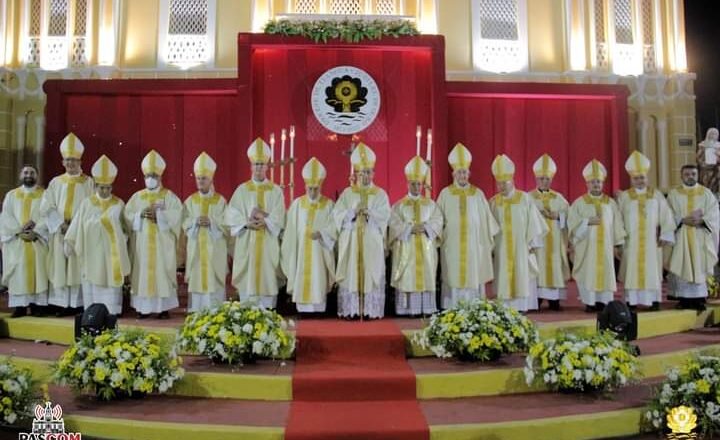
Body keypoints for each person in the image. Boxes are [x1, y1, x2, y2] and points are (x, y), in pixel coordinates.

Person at [64, 155, 130, 315]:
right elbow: (77, 226)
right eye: (102, 188)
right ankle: (93, 313)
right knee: (92, 285)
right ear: (96, 186)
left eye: (108, 188)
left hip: (111, 254)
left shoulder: (119, 204)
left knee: (110, 285)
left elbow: (125, 229)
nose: (105, 191)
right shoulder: (87, 203)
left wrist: (112, 227)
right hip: (91, 253)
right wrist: (70, 243)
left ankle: (111, 312)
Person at [437, 143, 499, 308]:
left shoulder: (477, 194)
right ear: (453, 174)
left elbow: (487, 220)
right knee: (453, 274)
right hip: (452, 244)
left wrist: (486, 240)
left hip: (473, 244)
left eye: (464, 172)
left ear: (469, 173)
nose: (462, 175)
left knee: (473, 273)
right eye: (459, 172)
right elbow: (438, 219)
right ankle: (453, 306)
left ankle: (474, 304)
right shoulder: (445, 193)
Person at [225, 138, 285, 308]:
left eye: (261, 164)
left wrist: (265, 219)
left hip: (267, 244)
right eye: (256, 164)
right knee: (248, 284)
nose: (259, 167)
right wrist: (246, 223)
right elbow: (232, 214)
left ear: (267, 166)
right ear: (251, 166)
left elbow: (280, 217)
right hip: (248, 242)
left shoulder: (276, 191)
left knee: (267, 278)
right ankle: (247, 312)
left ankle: (268, 310)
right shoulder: (242, 190)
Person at [333, 143, 391, 319]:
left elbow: (385, 216)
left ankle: (370, 311)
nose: (365, 176)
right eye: (362, 172)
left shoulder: (380, 194)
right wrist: (352, 212)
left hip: (371, 240)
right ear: (356, 173)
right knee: (352, 273)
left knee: (371, 271)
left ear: (373, 173)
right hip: (352, 242)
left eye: (368, 172)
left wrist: (369, 213)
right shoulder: (347, 193)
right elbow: (337, 215)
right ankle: (352, 310)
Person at [124, 150, 183, 318]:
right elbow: (127, 216)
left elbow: (177, 215)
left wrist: (160, 216)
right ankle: (143, 309)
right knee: (143, 275)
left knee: (162, 274)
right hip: (143, 246)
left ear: (160, 176)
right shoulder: (137, 197)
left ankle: (163, 309)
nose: (151, 178)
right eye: (148, 175)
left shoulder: (169, 197)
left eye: (154, 175)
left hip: (162, 245)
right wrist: (139, 215)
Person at [40, 133, 94, 315]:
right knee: (60, 266)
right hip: (60, 232)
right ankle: (61, 304)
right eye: (67, 160)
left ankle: (77, 304)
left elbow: (92, 207)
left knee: (76, 267)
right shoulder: (56, 182)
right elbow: (47, 206)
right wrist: (60, 224)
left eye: (73, 160)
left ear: (80, 161)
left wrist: (76, 225)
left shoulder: (89, 183)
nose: (70, 163)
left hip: (79, 234)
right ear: (63, 162)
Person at [489, 154, 547, 312]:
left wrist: (532, 244)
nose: (501, 186)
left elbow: (534, 223)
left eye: (504, 182)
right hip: (502, 248)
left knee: (522, 274)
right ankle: (504, 307)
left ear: (512, 180)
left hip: (521, 246)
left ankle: (521, 307)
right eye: (498, 183)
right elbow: (489, 227)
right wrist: (491, 248)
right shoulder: (494, 202)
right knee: (503, 276)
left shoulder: (524, 199)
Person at [617, 151, 675, 311]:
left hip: (651, 241)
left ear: (647, 177)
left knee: (652, 271)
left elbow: (666, 216)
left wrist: (665, 234)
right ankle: (632, 301)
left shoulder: (656, 195)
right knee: (632, 271)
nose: (640, 181)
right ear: (631, 179)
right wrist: (619, 241)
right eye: (636, 178)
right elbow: (618, 220)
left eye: (642, 177)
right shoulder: (625, 197)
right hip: (631, 241)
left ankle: (653, 301)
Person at [568, 159, 625, 312]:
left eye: (598, 182)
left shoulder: (610, 203)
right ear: (587, 183)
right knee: (588, 272)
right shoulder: (579, 203)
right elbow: (572, 225)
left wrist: (618, 243)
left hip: (605, 248)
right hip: (587, 248)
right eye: (593, 182)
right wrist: (586, 222)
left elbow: (617, 224)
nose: (596, 185)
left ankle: (604, 302)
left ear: (603, 183)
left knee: (605, 272)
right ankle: (590, 302)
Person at [389, 156, 443, 316]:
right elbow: (393, 223)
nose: (416, 187)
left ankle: (425, 309)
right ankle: (408, 310)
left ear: (422, 184)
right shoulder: (399, 205)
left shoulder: (431, 204)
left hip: (426, 248)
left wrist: (426, 227)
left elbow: (438, 220)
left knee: (426, 275)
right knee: (408, 276)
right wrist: (409, 229)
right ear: (407, 184)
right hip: (407, 247)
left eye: (419, 184)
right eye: (413, 184)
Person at [281, 157, 336, 313]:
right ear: (305, 186)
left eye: (315, 189)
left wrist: (323, 234)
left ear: (321, 186)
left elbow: (334, 227)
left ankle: (319, 308)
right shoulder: (297, 204)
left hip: (320, 251)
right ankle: (303, 309)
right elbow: (290, 231)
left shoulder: (329, 204)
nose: (312, 192)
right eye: (309, 188)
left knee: (318, 277)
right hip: (301, 251)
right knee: (301, 272)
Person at [667, 164, 720, 310]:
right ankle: (683, 299)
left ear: (697, 175)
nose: (690, 177)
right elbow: (667, 214)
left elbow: (714, 213)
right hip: (682, 236)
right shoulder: (673, 194)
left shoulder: (706, 193)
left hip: (700, 236)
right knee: (682, 264)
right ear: (681, 176)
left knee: (699, 265)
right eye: (687, 174)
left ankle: (699, 299)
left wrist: (703, 220)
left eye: (693, 174)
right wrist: (681, 220)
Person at [0, 166, 49, 317]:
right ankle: (19, 307)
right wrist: (19, 230)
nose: (28, 175)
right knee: (18, 274)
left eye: (32, 172)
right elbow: (6, 217)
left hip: (37, 241)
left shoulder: (45, 195)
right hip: (17, 242)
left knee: (39, 272)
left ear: (37, 175)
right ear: (20, 175)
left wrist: (36, 231)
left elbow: (48, 214)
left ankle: (37, 306)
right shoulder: (12, 195)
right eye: (25, 172)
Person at [182, 152, 228, 312]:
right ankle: (196, 312)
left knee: (213, 283)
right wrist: (195, 221)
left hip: (214, 251)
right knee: (197, 281)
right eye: (198, 178)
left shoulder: (220, 201)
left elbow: (226, 223)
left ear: (211, 179)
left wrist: (211, 222)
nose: (200, 181)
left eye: (204, 178)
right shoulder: (190, 201)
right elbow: (184, 222)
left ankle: (216, 313)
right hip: (197, 250)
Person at [529, 154, 570, 311]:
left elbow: (570, 216)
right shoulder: (528, 197)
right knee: (539, 267)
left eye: (547, 179)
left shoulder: (558, 198)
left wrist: (558, 216)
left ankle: (554, 300)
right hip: (538, 242)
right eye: (541, 178)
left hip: (554, 241)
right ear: (536, 179)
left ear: (551, 179)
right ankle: (538, 298)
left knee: (554, 266)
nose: (544, 181)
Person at [698, 128, 720, 193]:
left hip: (716, 169)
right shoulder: (703, 145)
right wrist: (703, 164)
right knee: (706, 184)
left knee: (715, 184)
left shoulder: (719, 145)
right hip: (706, 169)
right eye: (712, 134)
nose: (713, 135)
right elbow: (699, 157)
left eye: (715, 134)